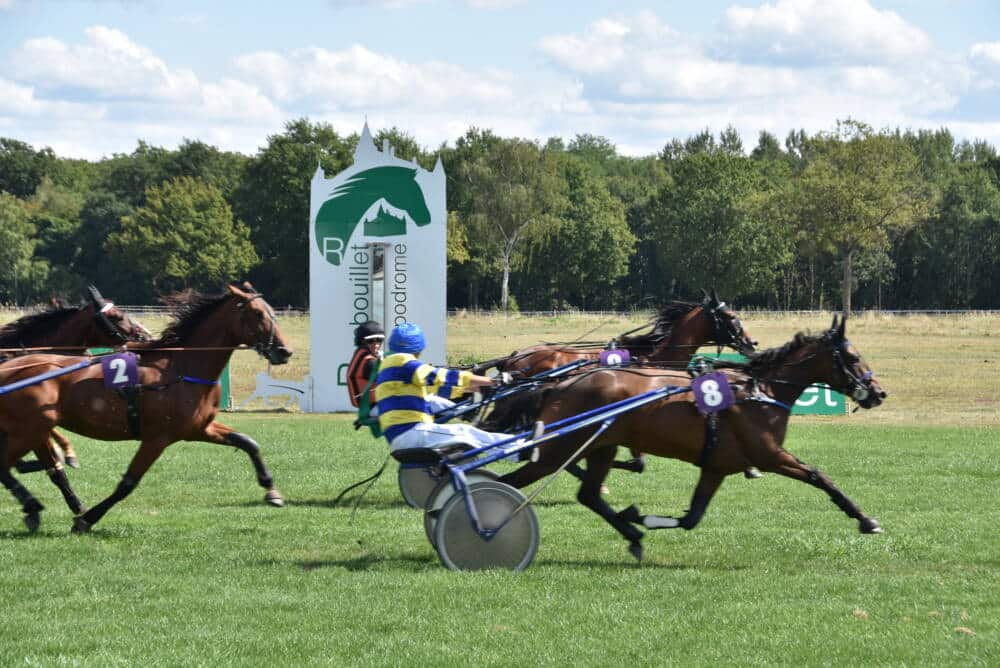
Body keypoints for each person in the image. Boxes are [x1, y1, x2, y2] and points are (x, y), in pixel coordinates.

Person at [375, 322, 542, 455]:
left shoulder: (389, 366)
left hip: (401, 434)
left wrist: (470, 389)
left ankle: (472, 414)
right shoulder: (404, 363)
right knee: (465, 432)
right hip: (411, 433)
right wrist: (494, 381)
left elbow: (434, 390)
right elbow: (442, 377)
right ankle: (520, 450)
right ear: (417, 347)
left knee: (459, 426)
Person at [346, 320, 385, 408]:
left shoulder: (361, 354)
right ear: (362, 341)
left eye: (379, 340)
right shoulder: (369, 361)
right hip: (374, 408)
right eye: (371, 341)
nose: (376, 345)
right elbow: (389, 379)